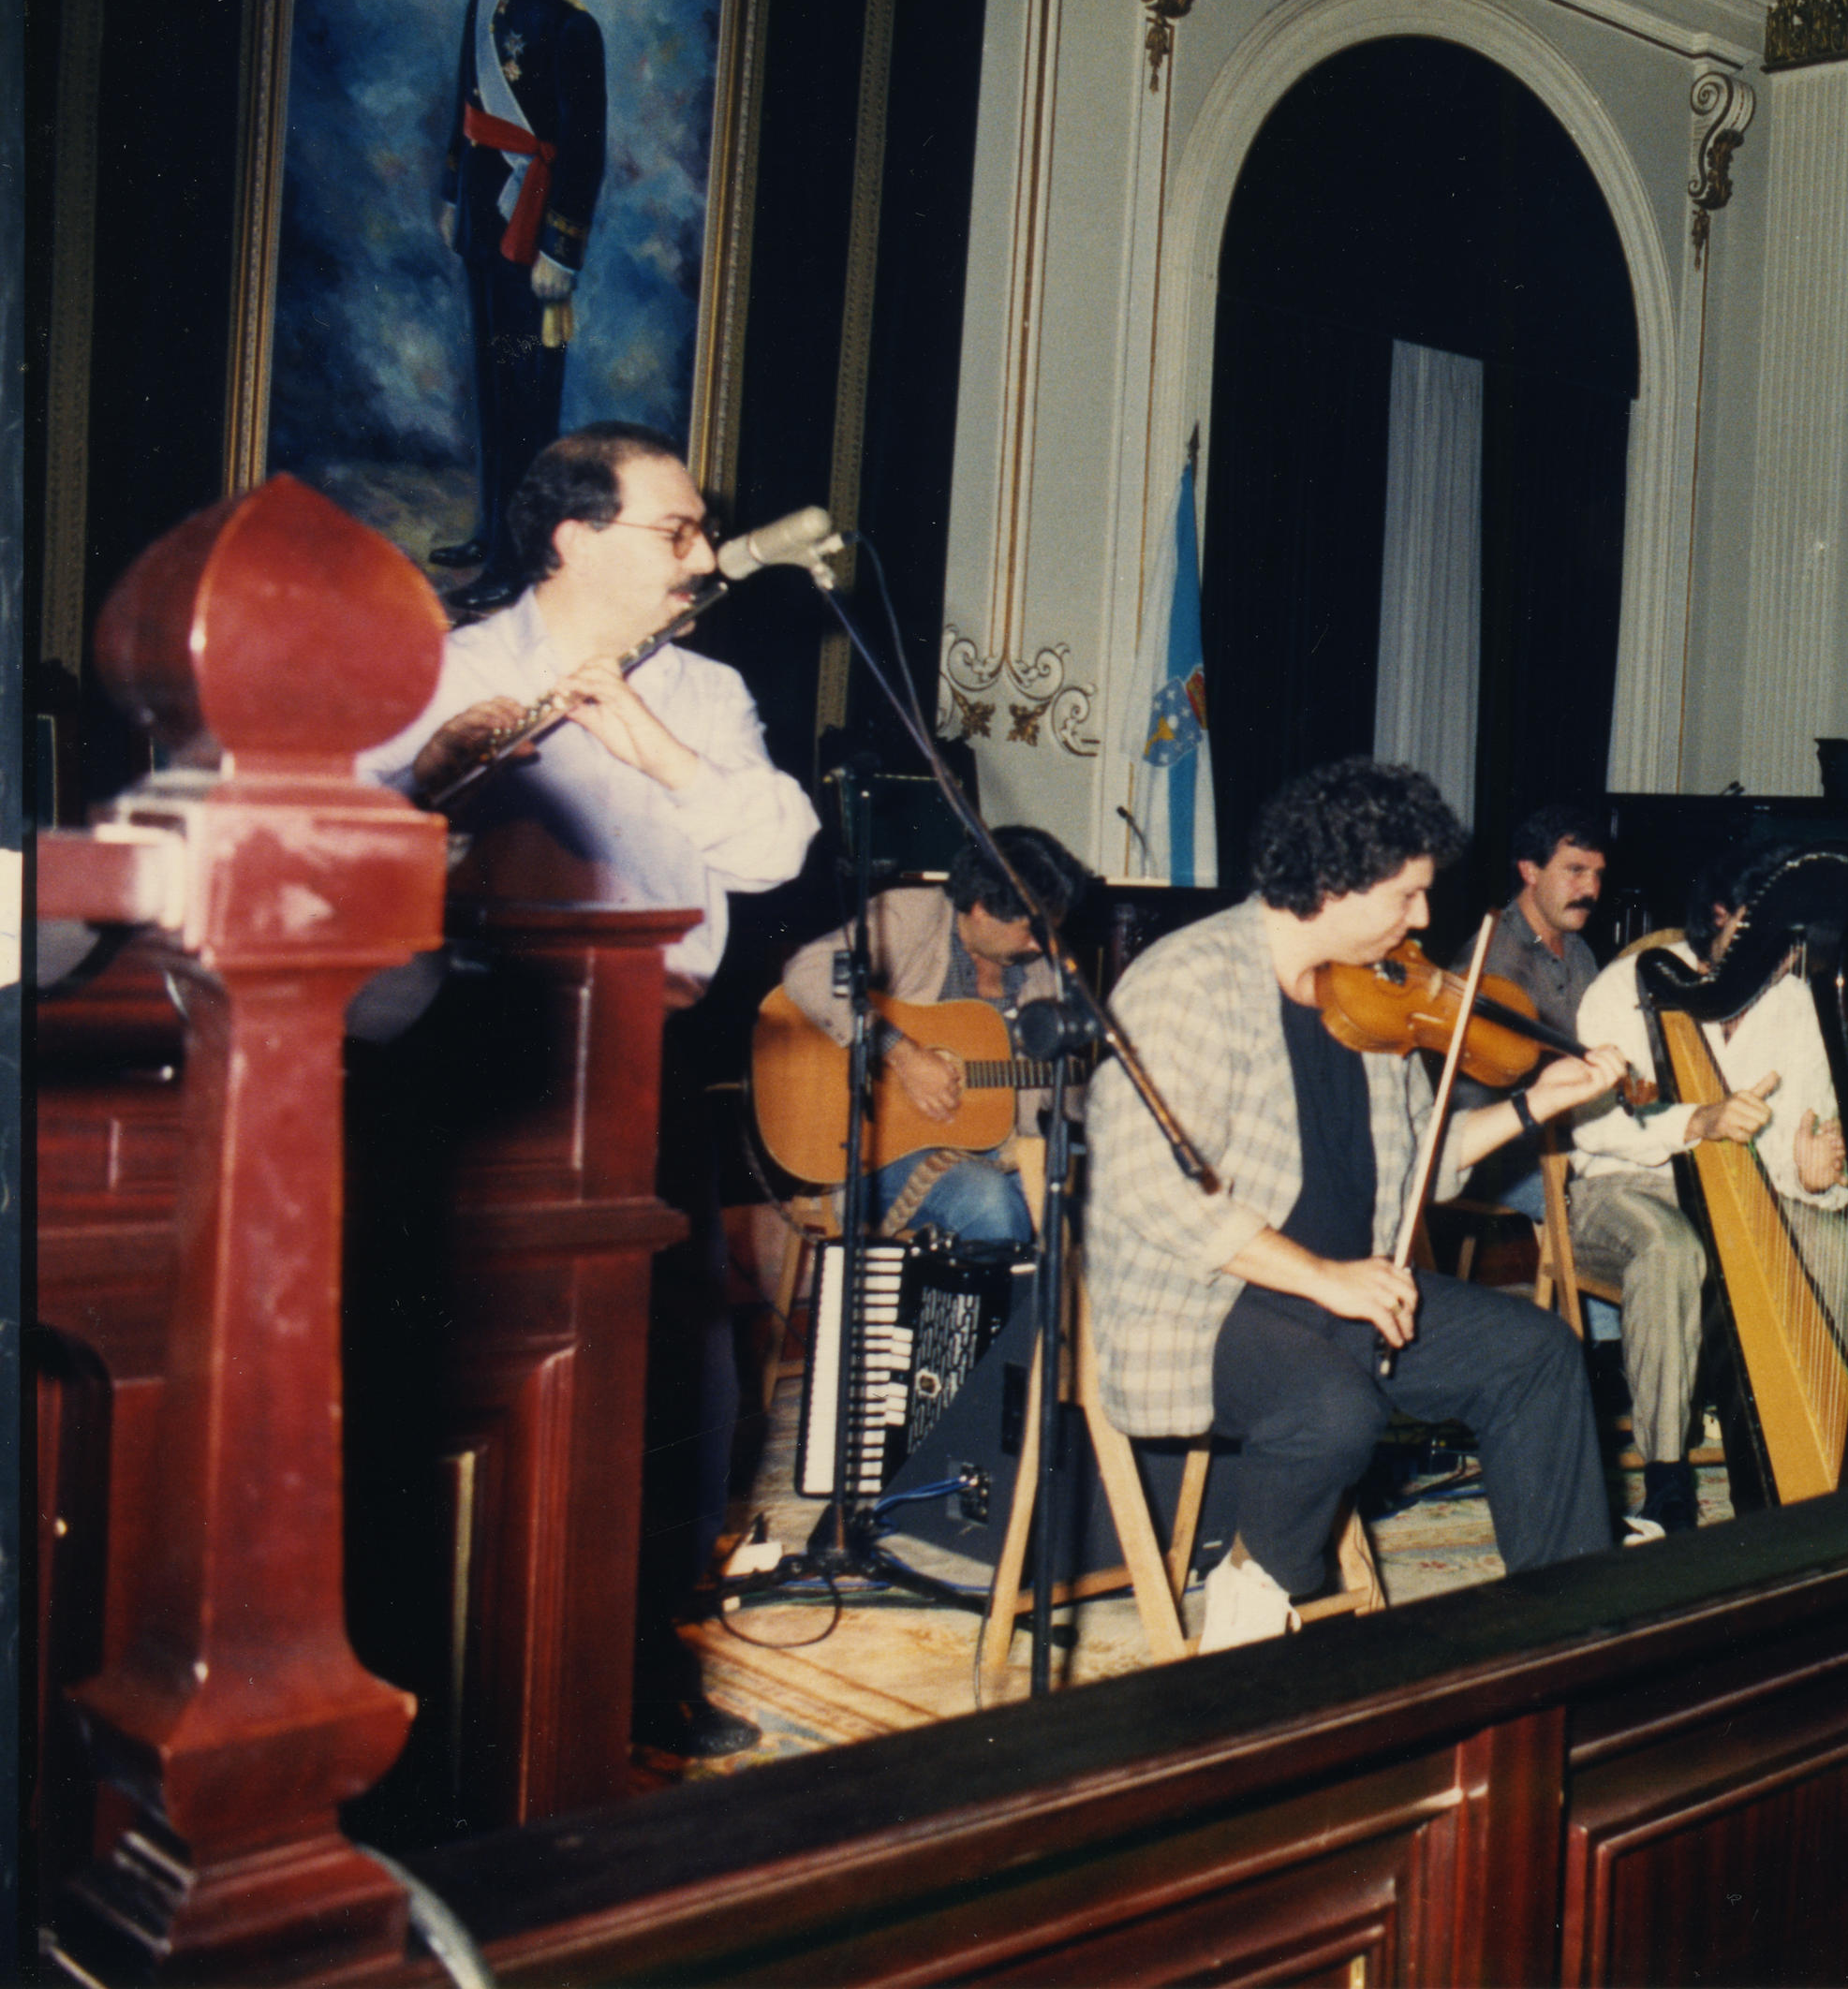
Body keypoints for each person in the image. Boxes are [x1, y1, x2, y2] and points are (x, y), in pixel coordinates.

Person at [361, 420, 818, 1759]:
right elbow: (332, 839)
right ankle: (429, 1676)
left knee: (669, 1366)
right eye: (673, 531)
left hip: (645, 1051)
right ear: (573, 538)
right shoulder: (440, 672)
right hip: (468, 1051)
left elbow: (780, 848)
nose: (698, 556)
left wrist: (653, 750)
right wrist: (429, 786)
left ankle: (630, 1667)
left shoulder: (708, 692)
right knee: (451, 1363)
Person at [1084, 759, 1625, 1648]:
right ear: (1333, 884)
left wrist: (1535, 1106)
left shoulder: (1373, 992)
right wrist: (1324, 1278)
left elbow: (1427, 1162)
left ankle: (1567, 1637)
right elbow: (1151, 1189)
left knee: (1534, 1353)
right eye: (1407, 896)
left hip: (1345, 1294)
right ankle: (1254, 1601)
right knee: (1332, 1411)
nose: (1422, 919)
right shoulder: (1187, 979)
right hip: (1207, 1300)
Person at [1560, 840, 1848, 1535]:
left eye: (1791, 943)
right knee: (1671, 1249)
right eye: (1764, 937)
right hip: (1620, 1189)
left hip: (1734, 1198)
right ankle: (1665, 1482)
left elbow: (1795, 1147)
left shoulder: (1793, 1004)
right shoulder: (1628, 986)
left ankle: (1828, 1453)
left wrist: (1818, 1174)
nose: (1781, 959)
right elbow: (1594, 1126)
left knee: (1834, 1242)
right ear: (1721, 917)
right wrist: (1699, 1119)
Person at [777, 826, 1091, 1245]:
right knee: (991, 1207)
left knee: (1078, 1204)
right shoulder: (909, 918)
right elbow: (807, 973)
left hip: (998, 1152)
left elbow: (1046, 1088)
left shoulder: (1040, 974)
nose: (1040, 945)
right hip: (876, 1151)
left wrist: (1091, 1087)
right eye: (1029, 930)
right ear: (981, 908)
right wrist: (902, 1055)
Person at [432, 0, 606, 575]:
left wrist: (562, 251)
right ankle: (490, 533)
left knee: (526, 400)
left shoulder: (572, 27)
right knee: (492, 387)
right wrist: (451, 194)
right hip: (483, 225)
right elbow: (464, 110)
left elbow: (585, 149)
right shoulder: (481, 1)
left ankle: (516, 562)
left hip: (531, 238)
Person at [1458, 803, 1610, 1219]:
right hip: (1503, 1156)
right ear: (1530, 871)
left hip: (1571, 1140)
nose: (1590, 889)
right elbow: (1469, 1104)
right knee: (1610, 1211)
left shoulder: (1579, 952)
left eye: (1597, 874)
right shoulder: (1492, 963)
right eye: (1575, 870)